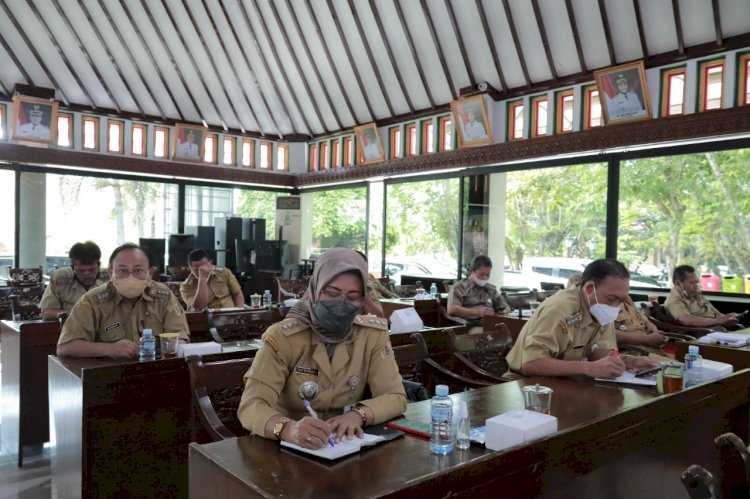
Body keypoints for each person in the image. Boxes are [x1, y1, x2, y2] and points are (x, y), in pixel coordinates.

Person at [237, 247, 407, 448]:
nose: (341, 304)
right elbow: (251, 406)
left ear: (363, 300)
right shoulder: (283, 337)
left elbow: (395, 397)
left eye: (352, 297)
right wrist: (287, 428)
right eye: (332, 293)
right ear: (316, 289)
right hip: (286, 448)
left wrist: (358, 415)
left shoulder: (371, 335)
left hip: (344, 445)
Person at [505, 259, 659, 379]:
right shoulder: (559, 308)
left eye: (621, 300)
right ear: (590, 289)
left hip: (564, 380)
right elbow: (531, 364)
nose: (616, 307)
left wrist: (629, 361)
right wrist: (589, 368)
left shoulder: (599, 307)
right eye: (612, 298)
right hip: (525, 383)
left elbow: (598, 352)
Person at [56, 243, 189, 359]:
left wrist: (178, 344)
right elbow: (65, 347)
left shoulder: (163, 295)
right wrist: (110, 349)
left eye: (138, 270)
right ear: (110, 273)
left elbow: (179, 335)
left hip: (155, 372)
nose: (130, 277)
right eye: (123, 271)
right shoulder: (93, 300)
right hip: (109, 376)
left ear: (150, 273)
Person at [39, 241, 108, 321]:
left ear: (99, 265)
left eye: (92, 269)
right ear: (72, 267)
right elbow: (46, 313)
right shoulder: (59, 278)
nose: (87, 274)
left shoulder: (110, 278)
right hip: (70, 328)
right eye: (81, 271)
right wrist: (80, 313)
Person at [664, 265, 740, 328]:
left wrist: (727, 318)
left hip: (719, 330)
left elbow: (717, 314)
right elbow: (686, 320)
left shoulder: (696, 295)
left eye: (697, 282)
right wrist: (717, 321)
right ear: (678, 283)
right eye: (692, 283)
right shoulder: (674, 300)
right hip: (703, 334)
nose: (696, 286)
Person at [447, 255, 510, 331]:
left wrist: (502, 312)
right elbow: (452, 309)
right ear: (472, 271)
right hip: (470, 325)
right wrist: (477, 312)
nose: (485, 278)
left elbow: (506, 307)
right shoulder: (460, 287)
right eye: (482, 274)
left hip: (491, 323)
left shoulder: (490, 289)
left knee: (514, 330)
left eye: (488, 274)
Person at [180, 248, 244, 310]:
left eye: (205, 267)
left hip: (230, 315)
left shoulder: (223, 272)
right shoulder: (186, 287)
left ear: (210, 263)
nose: (202, 271)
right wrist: (202, 278)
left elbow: (237, 294)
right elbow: (199, 307)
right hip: (208, 318)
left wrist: (238, 313)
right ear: (190, 269)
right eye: (197, 270)